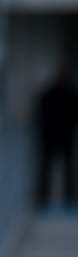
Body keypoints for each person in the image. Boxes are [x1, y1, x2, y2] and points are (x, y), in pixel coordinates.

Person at [34, 65, 78, 209]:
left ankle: (69, 199)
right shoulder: (49, 95)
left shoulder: (70, 94)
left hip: (65, 137)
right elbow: (40, 113)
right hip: (50, 137)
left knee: (68, 170)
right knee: (46, 169)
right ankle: (43, 199)